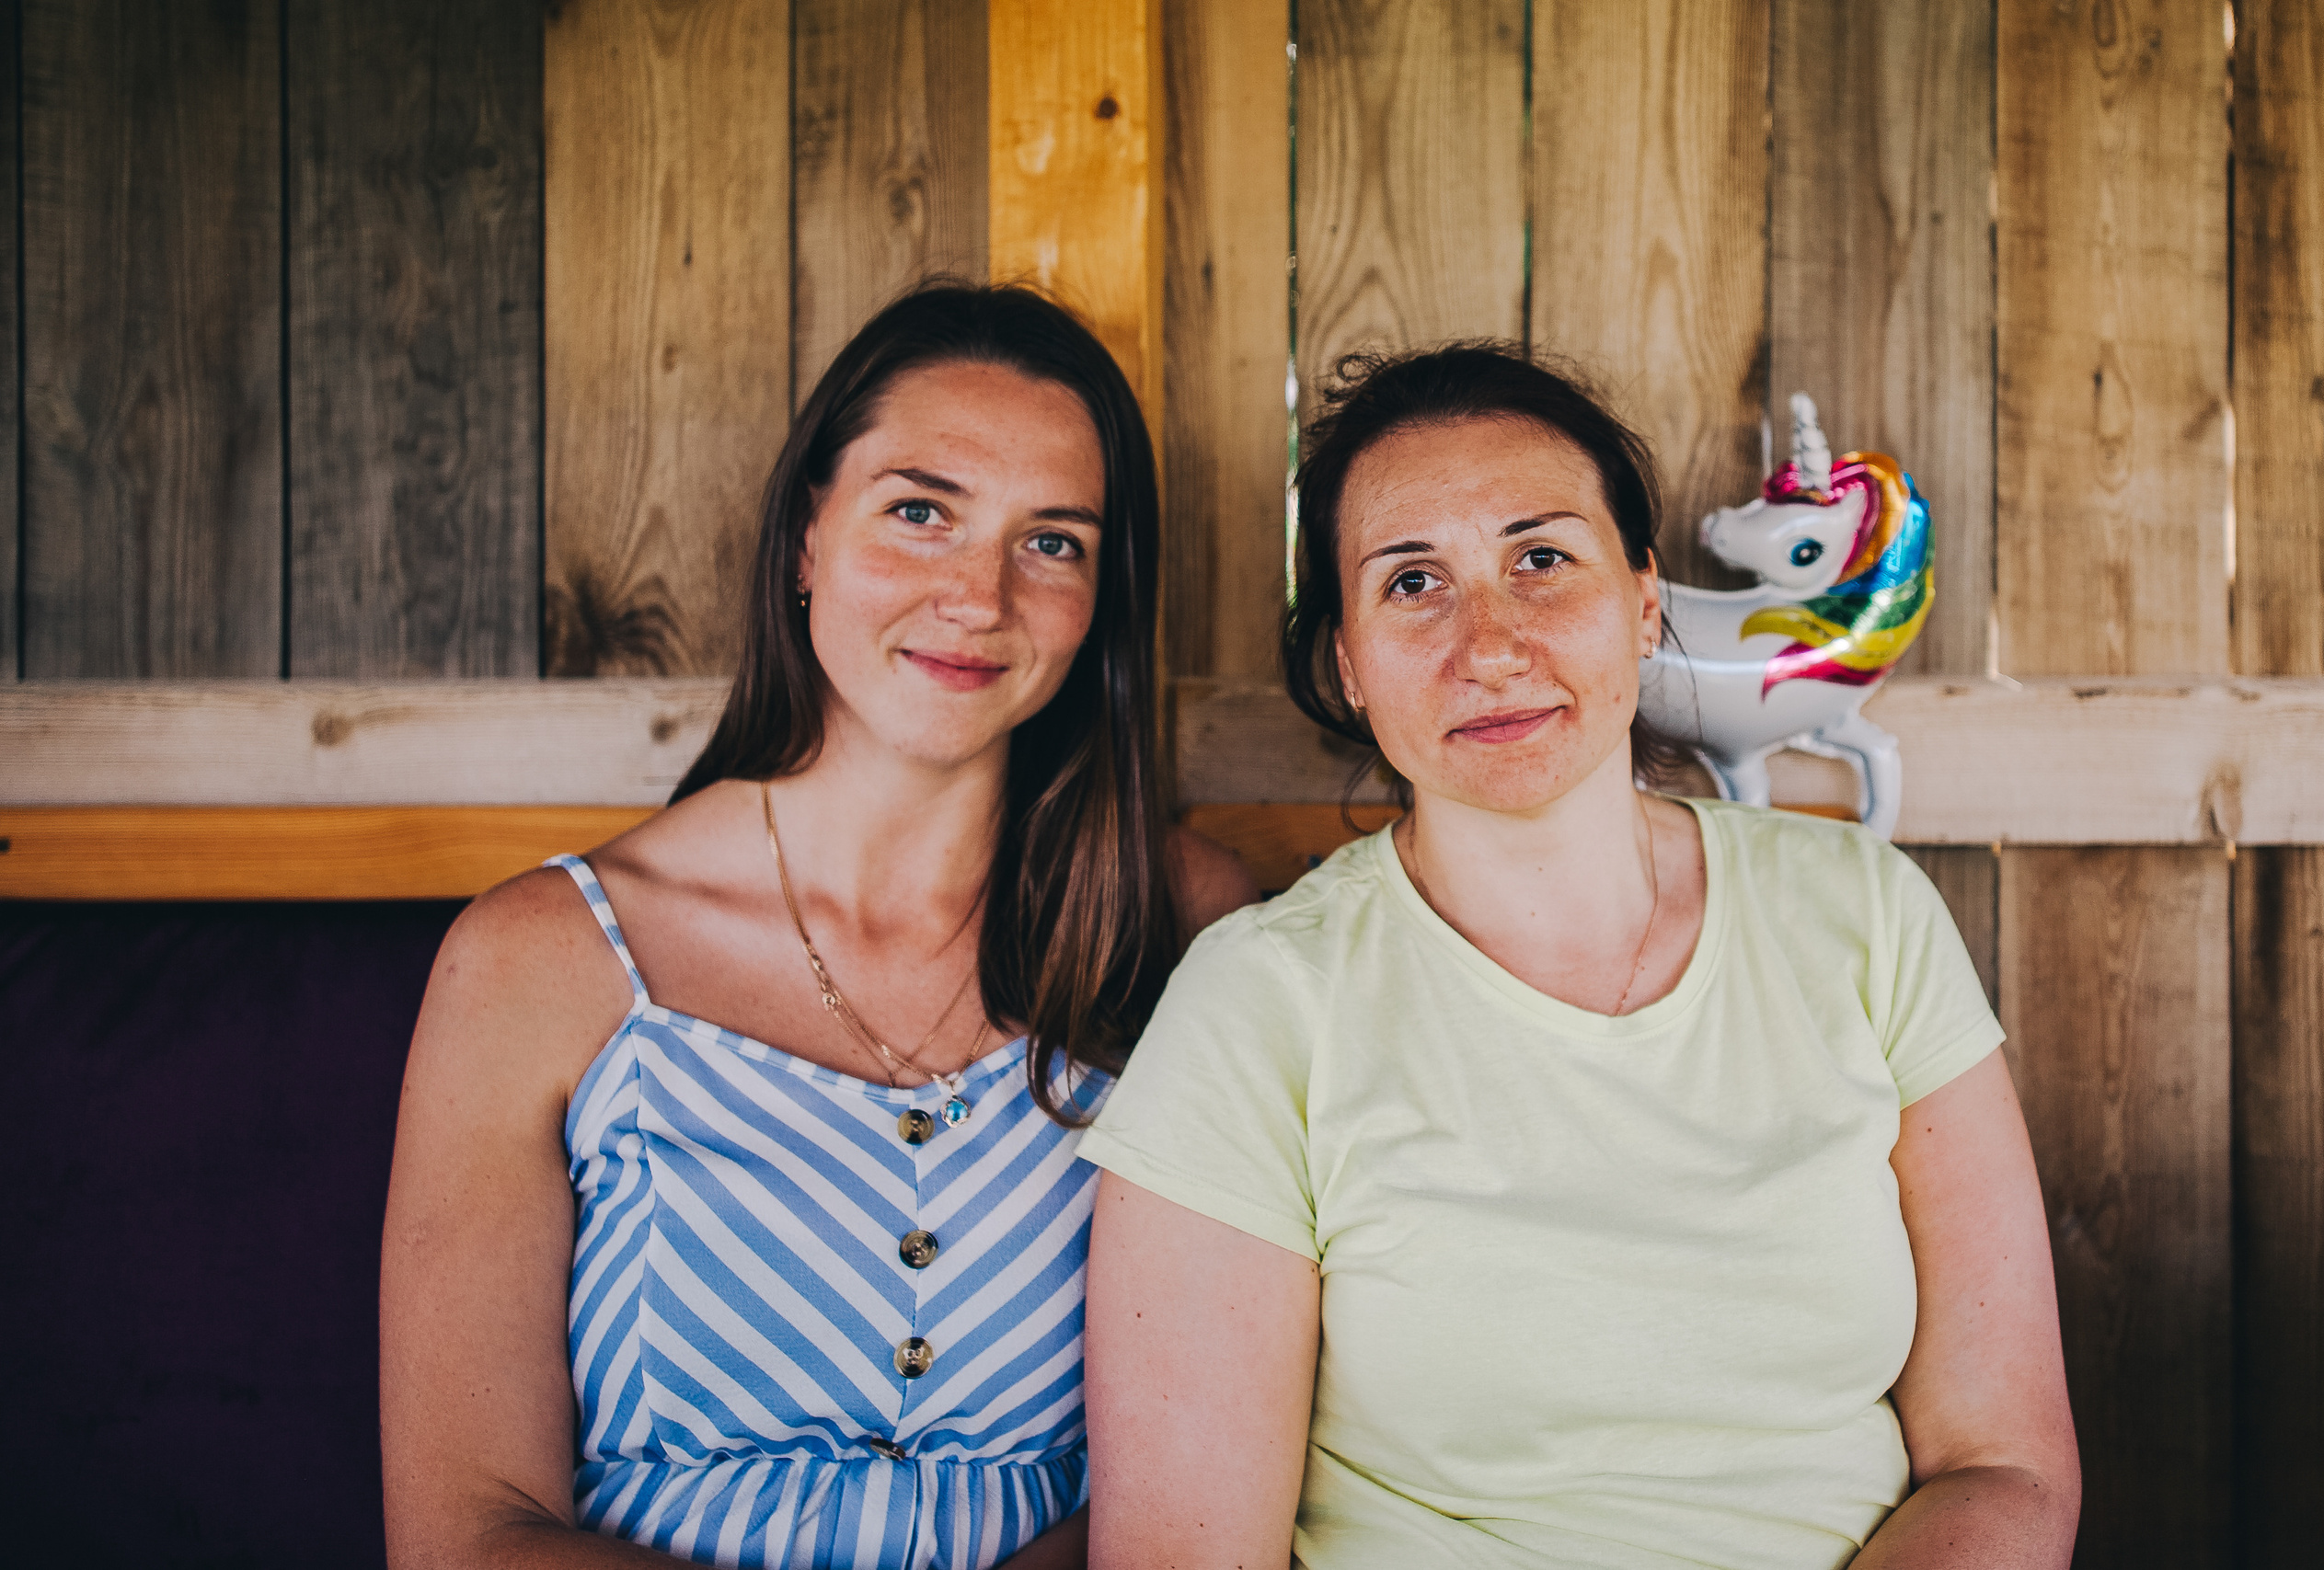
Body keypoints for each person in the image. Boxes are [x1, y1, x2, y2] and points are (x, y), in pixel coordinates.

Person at [1079, 347, 2078, 1568]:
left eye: (1541, 560)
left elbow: (2006, 1467)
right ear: (1347, 659)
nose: (1489, 643)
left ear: (1646, 601)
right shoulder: (1260, 1008)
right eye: (1411, 583)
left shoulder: (1864, 916)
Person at [381, 282, 1258, 1570]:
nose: (979, 595)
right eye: (919, 512)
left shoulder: (1187, 929)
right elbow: (466, 1536)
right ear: (805, 537)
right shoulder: (540, 960)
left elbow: (1218, 1477)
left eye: (1052, 542)